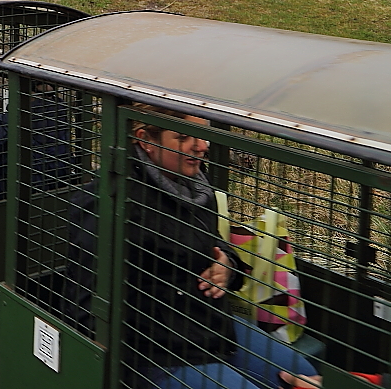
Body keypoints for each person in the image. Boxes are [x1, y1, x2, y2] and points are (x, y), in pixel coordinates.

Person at [67, 104, 321, 389]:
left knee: (304, 375)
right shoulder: (110, 199)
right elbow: (86, 299)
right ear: (146, 139)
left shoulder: (197, 185)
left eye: (203, 135)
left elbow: (213, 243)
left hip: (212, 325)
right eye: (185, 137)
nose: (201, 147)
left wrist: (228, 266)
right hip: (157, 350)